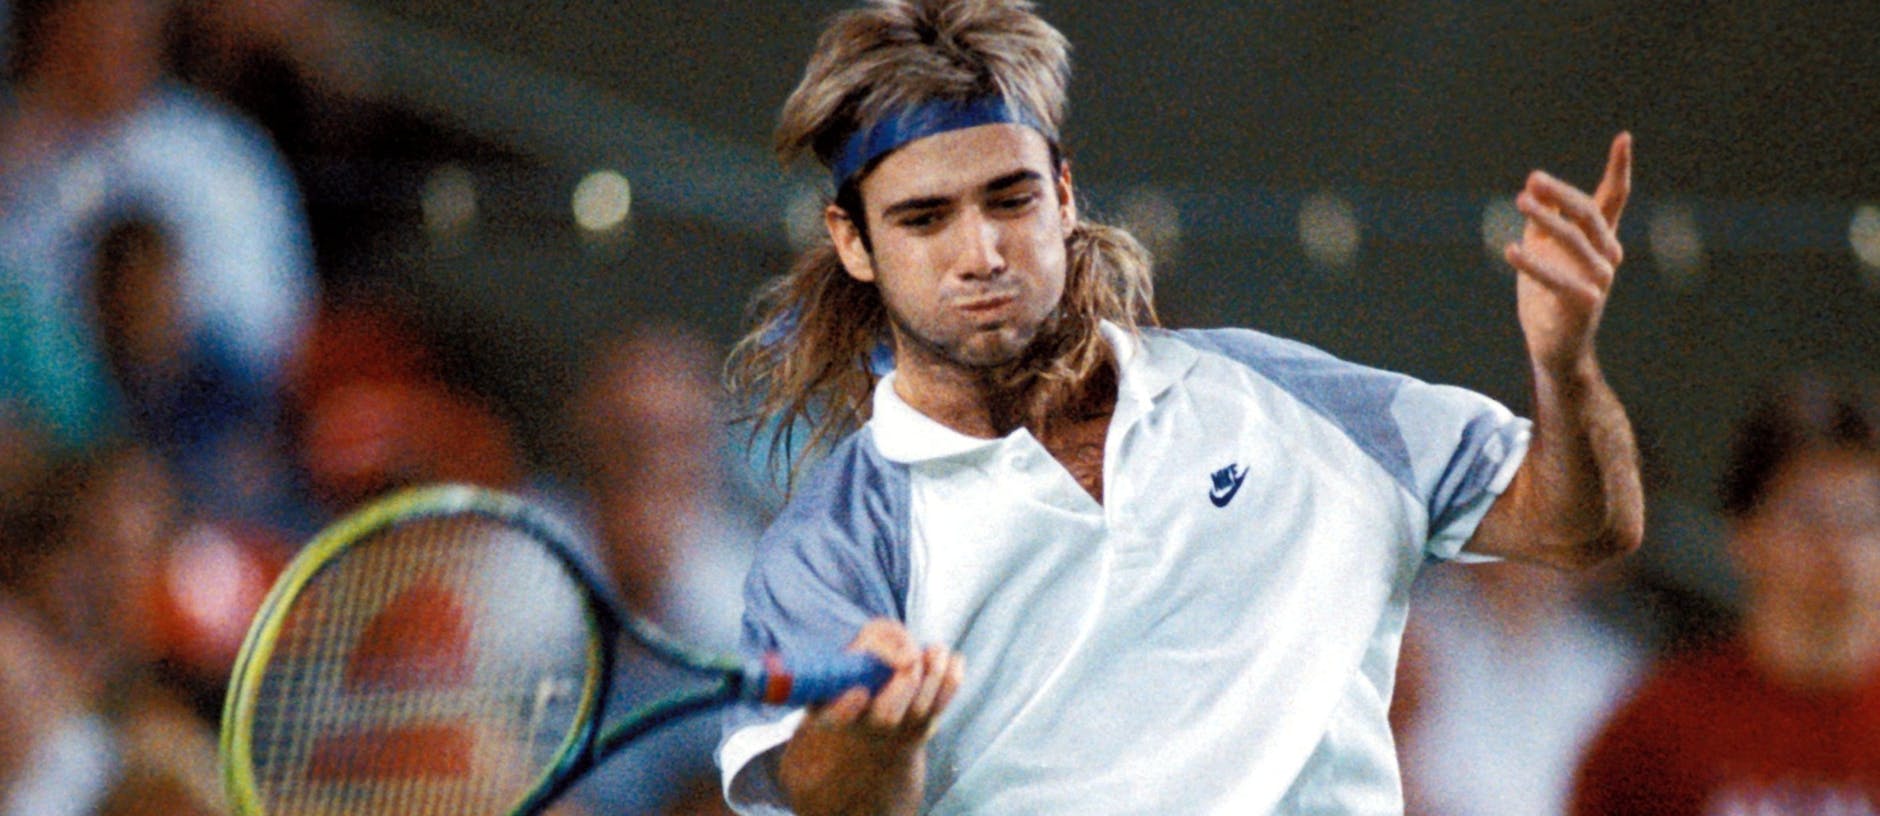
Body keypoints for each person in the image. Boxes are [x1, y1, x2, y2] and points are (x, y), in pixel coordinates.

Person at [716, 1, 1644, 813]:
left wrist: (1563, 365)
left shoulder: (1284, 402)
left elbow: (1584, 527)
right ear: (853, 240)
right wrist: (873, 742)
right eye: (926, 219)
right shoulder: (833, 545)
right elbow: (832, 806)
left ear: (1065, 195)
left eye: (1011, 199)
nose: (983, 253)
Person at [1570, 372, 1880, 816]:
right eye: (1810, 517)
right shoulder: (1660, 730)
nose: (1840, 548)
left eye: (1864, 519)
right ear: (1744, 536)